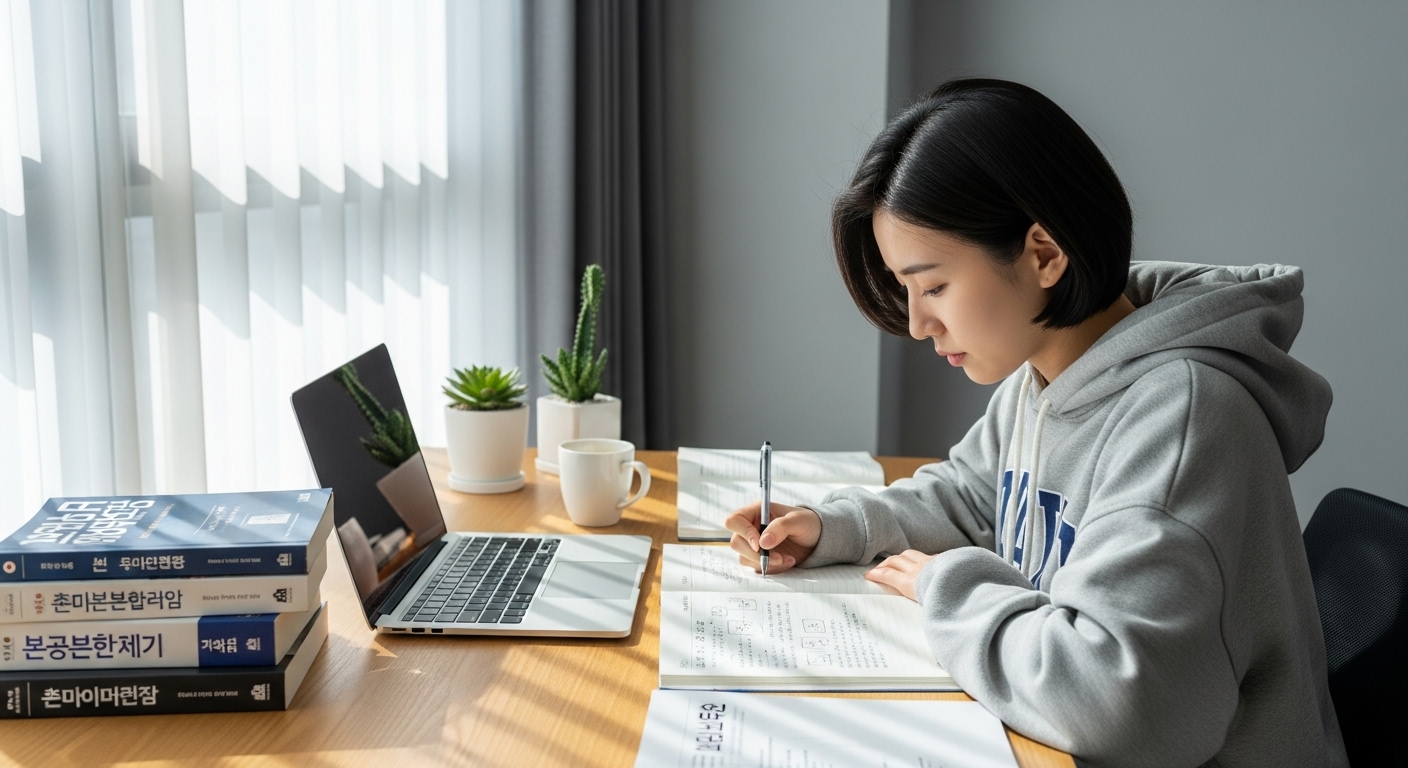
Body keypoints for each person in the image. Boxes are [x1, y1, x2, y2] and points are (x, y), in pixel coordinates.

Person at [724, 79, 1347, 768]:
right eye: (906, 290)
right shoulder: (1047, 371)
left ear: (1044, 254)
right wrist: (833, 527)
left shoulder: (1184, 418)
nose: (916, 322)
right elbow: (971, 497)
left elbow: (1118, 703)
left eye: (932, 286)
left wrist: (944, 587)